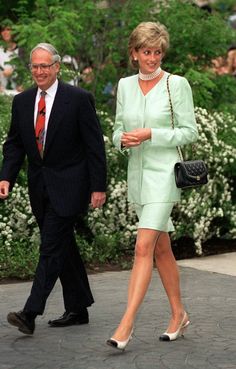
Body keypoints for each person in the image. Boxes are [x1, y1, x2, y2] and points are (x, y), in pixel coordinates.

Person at [0, 43, 107, 335]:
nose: (39, 71)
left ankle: (30, 312)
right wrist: (6, 176)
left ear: (57, 67)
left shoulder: (79, 99)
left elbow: (94, 146)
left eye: (45, 66)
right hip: (39, 187)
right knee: (63, 246)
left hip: (71, 185)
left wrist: (98, 186)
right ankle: (78, 306)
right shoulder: (22, 101)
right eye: (35, 66)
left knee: (50, 247)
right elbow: (15, 144)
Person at [106, 22, 198, 350]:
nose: (153, 58)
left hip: (164, 177)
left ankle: (126, 324)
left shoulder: (177, 84)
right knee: (161, 248)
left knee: (143, 247)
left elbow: (190, 132)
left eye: (158, 52)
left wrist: (151, 134)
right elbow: (117, 129)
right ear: (134, 53)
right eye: (146, 51)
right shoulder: (126, 86)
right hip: (138, 179)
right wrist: (123, 140)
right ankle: (178, 313)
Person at [0, 20, 22, 92]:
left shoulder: (21, 51)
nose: (5, 32)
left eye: (8, 29)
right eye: (3, 30)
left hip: (17, 92)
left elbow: (27, 70)